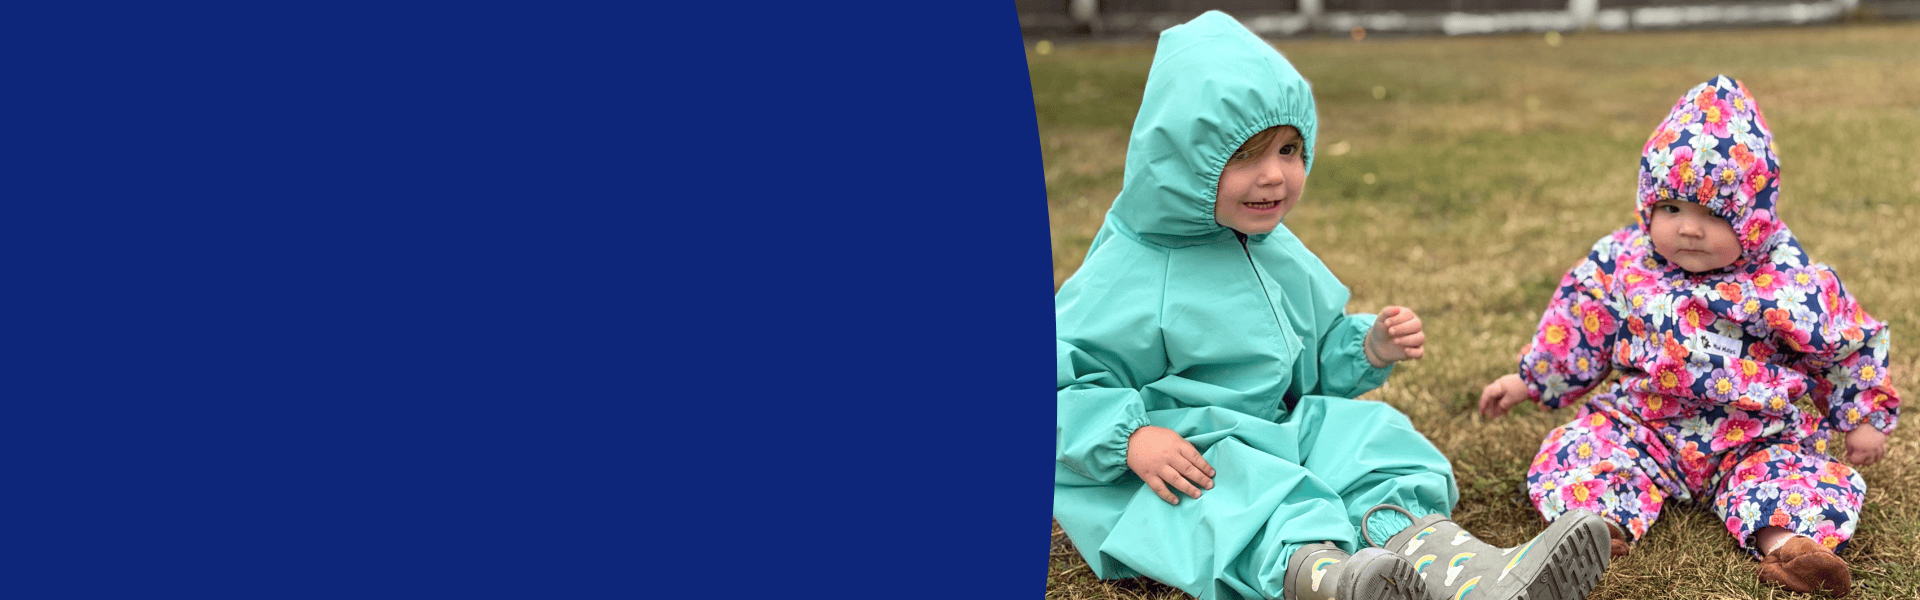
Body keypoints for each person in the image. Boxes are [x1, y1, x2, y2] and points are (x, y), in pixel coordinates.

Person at [1053, 11, 1611, 600]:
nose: (1274, 176)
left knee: (1373, 438)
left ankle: (1465, 571)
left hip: (1276, 428)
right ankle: (1325, 578)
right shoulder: (1133, 268)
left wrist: (1364, 346)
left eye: (1289, 149)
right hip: (1187, 455)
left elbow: (1308, 359)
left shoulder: (1272, 247)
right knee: (1240, 497)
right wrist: (1133, 438)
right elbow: (1061, 380)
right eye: (1244, 156)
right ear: (1182, 163)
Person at [1478, 75, 1899, 598]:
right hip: (1644, 423)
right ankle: (1597, 526)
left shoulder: (1787, 281)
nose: (1688, 229)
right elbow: (1578, 324)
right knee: (1583, 450)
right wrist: (1529, 380)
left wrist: (1862, 416)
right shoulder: (1623, 263)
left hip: (1754, 434)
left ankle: (1791, 545)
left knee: (1795, 478)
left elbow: (1845, 345)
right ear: (1647, 204)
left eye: (1714, 214)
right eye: (1672, 208)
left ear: (1754, 219)